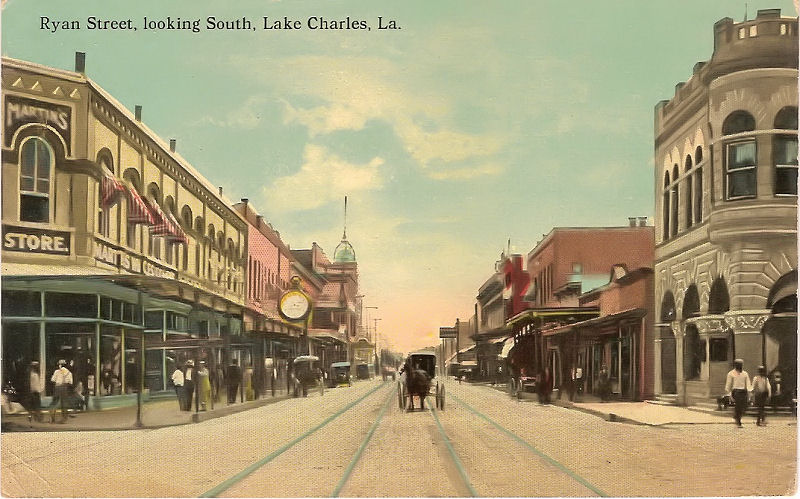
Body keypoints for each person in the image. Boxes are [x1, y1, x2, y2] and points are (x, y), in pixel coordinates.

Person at [724, 358, 753, 428]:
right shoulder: (731, 373)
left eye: (741, 365)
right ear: (735, 365)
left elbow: (748, 383)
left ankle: (736, 416)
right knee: (738, 406)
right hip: (736, 392)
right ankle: (738, 421)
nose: (740, 366)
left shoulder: (745, 374)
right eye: (739, 365)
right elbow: (729, 384)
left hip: (743, 391)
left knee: (744, 406)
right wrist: (729, 394)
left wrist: (750, 392)